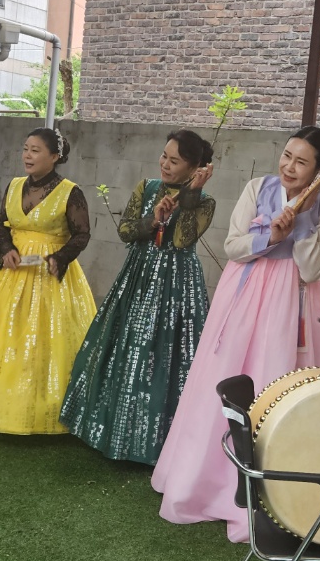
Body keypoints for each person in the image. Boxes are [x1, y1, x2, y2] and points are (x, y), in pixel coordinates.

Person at [152, 126, 320, 542]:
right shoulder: (258, 187)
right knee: (225, 379)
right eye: (287, 155)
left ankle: (275, 497)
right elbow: (233, 247)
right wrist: (271, 235)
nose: (289, 167)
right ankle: (204, 483)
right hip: (244, 297)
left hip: (292, 305)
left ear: (318, 170)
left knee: (276, 381)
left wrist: (302, 225)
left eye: (302, 162)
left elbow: (314, 271)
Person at [61, 130, 216, 464]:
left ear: (194, 168)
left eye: (175, 161)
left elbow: (182, 240)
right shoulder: (146, 187)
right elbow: (125, 231)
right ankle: (109, 430)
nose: (165, 164)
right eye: (164, 156)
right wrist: (153, 219)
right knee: (125, 348)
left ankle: (159, 443)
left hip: (177, 287)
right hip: (137, 277)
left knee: (167, 356)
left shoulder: (205, 202)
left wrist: (191, 193)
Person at [0, 127, 95, 434]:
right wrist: (6, 248)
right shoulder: (13, 185)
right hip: (12, 275)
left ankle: (44, 412)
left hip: (51, 278)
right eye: (25, 148)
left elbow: (82, 234)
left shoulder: (71, 192)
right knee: (2, 338)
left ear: (55, 156)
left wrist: (60, 258)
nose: (27, 155)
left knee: (45, 344)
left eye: (35, 150)